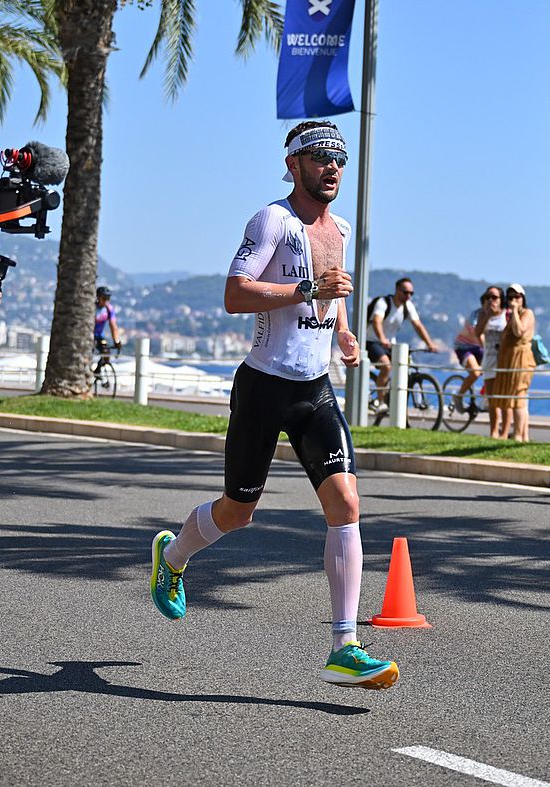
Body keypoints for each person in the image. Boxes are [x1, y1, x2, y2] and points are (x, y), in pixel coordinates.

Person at [148, 120, 398, 690]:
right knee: (238, 512)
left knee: (347, 503)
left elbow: (328, 298)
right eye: (319, 158)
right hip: (263, 386)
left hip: (314, 390)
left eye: (339, 158)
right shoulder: (272, 220)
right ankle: (174, 556)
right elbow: (236, 295)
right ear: (293, 164)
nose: (333, 167)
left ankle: (345, 645)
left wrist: (341, 333)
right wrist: (309, 292)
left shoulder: (339, 228)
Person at [365, 277, 440, 402]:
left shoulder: (408, 306)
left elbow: (418, 326)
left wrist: (429, 344)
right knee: (386, 367)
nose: (408, 296)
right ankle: (381, 402)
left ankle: (393, 398)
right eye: (405, 292)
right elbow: (377, 322)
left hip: (390, 344)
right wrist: (382, 339)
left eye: (411, 293)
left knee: (404, 367)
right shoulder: (383, 303)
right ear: (397, 290)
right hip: (373, 341)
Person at [489, 283, 536, 441]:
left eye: (517, 297)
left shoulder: (527, 313)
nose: (513, 300)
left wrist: (515, 310)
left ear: (523, 298)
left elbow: (519, 331)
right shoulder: (512, 316)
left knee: (518, 397)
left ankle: (518, 435)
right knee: (513, 397)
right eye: (510, 298)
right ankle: (523, 435)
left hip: (521, 359)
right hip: (509, 360)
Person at [474, 285, 508, 438]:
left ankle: (505, 432)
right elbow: (477, 332)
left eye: (494, 297)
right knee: (492, 398)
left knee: (505, 399)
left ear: (501, 299)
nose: (490, 300)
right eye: (487, 297)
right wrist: (487, 316)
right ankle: (493, 431)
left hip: (504, 361)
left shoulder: (506, 315)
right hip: (489, 359)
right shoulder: (483, 315)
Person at [450, 293, 486, 410]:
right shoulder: (475, 315)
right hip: (464, 347)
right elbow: (477, 334)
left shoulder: (498, 316)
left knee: (492, 372)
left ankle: (485, 398)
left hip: (479, 348)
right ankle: (459, 396)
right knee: (475, 373)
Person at [94, 285, 120, 353]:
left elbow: (113, 326)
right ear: (98, 297)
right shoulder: (92, 308)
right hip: (89, 335)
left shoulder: (109, 309)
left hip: (99, 336)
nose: (106, 301)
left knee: (106, 352)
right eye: (104, 298)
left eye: (108, 298)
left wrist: (116, 341)